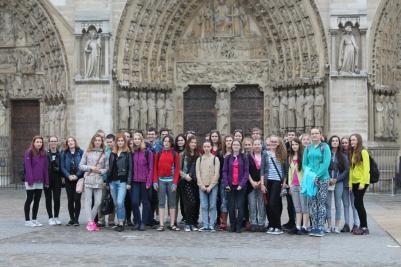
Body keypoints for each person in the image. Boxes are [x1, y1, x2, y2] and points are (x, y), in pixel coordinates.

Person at [302, 128, 331, 237]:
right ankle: (314, 226)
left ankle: (321, 227)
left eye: (316, 133)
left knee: (321, 202)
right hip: (310, 179)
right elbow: (304, 163)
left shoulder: (325, 147)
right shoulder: (308, 148)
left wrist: (317, 175)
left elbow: (326, 163)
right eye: (312, 134)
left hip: (323, 178)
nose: (314, 135)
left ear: (320, 135)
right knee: (312, 202)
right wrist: (310, 175)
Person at [79, 133, 109, 231]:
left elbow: (107, 168)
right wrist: (91, 168)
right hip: (88, 179)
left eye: (99, 140)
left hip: (98, 180)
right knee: (88, 201)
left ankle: (90, 220)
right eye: (95, 140)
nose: (97, 142)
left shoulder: (104, 153)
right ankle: (90, 222)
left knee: (98, 202)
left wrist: (100, 171)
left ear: (101, 142)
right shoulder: (87, 152)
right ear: (93, 141)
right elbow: (81, 166)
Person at [260, 135, 287, 235]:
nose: (273, 143)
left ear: (279, 143)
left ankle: (278, 226)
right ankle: (271, 225)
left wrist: (284, 182)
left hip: (277, 181)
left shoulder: (282, 154)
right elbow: (262, 170)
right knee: (268, 205)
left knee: (273, 203)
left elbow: (285, 170)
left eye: (275, 142)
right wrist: (262, 184)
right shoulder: (265, 153)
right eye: (272, 141)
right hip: (268, 181)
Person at [153, 135, 180, 231]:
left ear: (171, 143)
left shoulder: (175, 154)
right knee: (161, 203)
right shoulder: (158, 153)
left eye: (168, 141)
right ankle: (161, 224)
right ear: (163, 142)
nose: (166, 143)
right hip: (161, 181)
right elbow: (155, 168)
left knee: (172, 203)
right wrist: (155, 181)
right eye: (165, 141)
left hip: (171, 181)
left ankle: (172, 224)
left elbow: (177, 169)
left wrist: (175, 183)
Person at [107, 133, 132, 232]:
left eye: (122, 141)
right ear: (116, 142)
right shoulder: (112, 153)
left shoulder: (127, 153)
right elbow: (110, 168)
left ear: (124, 142)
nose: (120, 142)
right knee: (116, 203)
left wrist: (129, 182)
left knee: (120, 202)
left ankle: (121, 222)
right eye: (119, 141)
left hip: (122, 182)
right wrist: (108, 181)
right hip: (112, 181)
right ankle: (119, 221)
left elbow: (130, 169)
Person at [223, 140, 249, 233]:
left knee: (240, 206)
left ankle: (238, 226)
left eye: (237, 144)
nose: (235, 146)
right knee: (231, 207)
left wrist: (241, 184)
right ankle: (232, 225)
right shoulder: (227, 158)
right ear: (232, 146)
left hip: (240, 187)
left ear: (240, 146)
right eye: (234, 144)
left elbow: (246, 172)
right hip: (230, 186)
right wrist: (226, 184)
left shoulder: (244, 157)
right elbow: (224, 171)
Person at [285, 138, 309, 234]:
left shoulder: (304, 156)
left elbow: (306, 171)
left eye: (296, 144)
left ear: (299, 145)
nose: (294, 146)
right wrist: (290, 184)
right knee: (297, 207)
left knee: (304, 207)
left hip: (302, 185)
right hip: (293, 185)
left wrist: (305, 183)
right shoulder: (290, 157)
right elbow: (290, 172)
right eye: (293, 144)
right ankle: (298, 226)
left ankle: (305, 227)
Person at [24, 136, 49, 227]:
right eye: (37, 142)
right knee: (29, 199)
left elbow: (45, 168)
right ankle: (27, 220)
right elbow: (28, 167)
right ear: (33, 143)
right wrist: (30, 180)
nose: (39, 143)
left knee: (37, 200)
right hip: (31, 181)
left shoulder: (44, 153)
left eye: (40, 142)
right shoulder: (29, 152)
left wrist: (46, 180)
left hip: (40, 181)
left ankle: (34, 219)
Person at [131, 132, 153, 231]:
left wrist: (149, 182)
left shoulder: (148, 152)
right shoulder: (132, 152)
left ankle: (143, 222)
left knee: (145, 202)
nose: (136, 140)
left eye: (138, 139)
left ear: (141, 140)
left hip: (145, 181)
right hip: (135, 181)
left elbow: (151, 168)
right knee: (135, 202)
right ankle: (137, 221)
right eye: (135, 139)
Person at [327, 135, 349, 234]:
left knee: (337, 204)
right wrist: (328, 178)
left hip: (338, 182)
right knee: (327, 204)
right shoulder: (327, 154)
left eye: (336, 141)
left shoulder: (343, 156)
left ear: (338, 143)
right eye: (333, 140)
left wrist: (336, 179)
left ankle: (336, 226)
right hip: (327, 181)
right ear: (330, 142)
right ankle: (329, 226)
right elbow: (324, 167)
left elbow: (346, 170)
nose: (335, 142)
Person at [349, 134, 370, 235]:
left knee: (358, 203)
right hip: (354, 182)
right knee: (357, 204)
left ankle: (364, 227)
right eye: (351, 140)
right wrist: (350, 183)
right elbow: (351, 169)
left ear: (358, 141)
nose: (352, 141)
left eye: (354, 140)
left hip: (362, 182)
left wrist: (362, 182)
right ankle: (362, 226)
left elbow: (367, 169)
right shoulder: (353, 152)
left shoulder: (363, 151)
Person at [196, 140, 220, 232]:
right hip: (202, 186)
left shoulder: (215, 159)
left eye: (208, 146)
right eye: (205, 146)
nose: (206, 148)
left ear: (211, 147)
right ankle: (205, 224)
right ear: (203, 148)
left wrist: (211, 186)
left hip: (213, 186)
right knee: (204, 206)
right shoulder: (200, 159)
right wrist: (201, 185)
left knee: (213, 205)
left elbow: (216, 174)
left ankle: (212, 225)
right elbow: (198, 173)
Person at [178, 136, 201, 231]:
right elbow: (178, 169)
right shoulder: (182, 154)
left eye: (195, 143)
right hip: (185, 181)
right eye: (192, 142)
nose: (193, 144)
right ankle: (188, 223)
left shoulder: (199, 155)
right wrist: (185, 176)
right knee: (189, 203)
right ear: (188, 143)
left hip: (195, 181)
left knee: (196, 203)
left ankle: (194, 223)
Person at [61, 137, 84, 226]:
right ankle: (71, 219)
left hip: (78, 179)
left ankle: (76, 219)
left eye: (72, 141)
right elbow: (62, 166)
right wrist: (68, 176)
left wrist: (77, 175)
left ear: (75, 142)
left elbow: (83, 164)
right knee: (70, 199)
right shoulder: (64, 153)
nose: (70, 142)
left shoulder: (80, 152)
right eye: (69, 141)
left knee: (77, 199)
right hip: (68, 179)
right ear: (67, 143)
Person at [340, 136, 359, 233]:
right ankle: (346, 224)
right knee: (346, 205)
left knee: (354, 205)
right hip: (343, 183)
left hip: (353, 183)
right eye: (342, 143)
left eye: (346, 142)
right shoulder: (340, 155)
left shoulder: (353, 154)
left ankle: (356, 224)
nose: (344, 144)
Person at [97, 134, 116, 228]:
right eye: (107, 142)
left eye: (110, 142)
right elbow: (101, 165)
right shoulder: (104, 152)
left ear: (114, 141)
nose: (109, 144)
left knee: (113, 200)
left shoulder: (117, 151)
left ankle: (111, 220)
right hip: (104, 179)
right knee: (101, 200)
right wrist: (103, 178)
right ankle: (101, 220)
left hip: (115, 180)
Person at [247, 139, 265, 232]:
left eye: (259, 144)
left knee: (262, 204)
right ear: (252, 146)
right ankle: (253, 222)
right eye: (255, 144)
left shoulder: (265, 155)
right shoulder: (248, 156)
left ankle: (261, 223)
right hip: (251, 184)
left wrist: (260, 182)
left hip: (262, 184)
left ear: (262, 146)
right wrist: (252, 182)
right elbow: (246, 171)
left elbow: (266, 169)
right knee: (252, 204)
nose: (257, 146)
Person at [45, 136, 62, 226]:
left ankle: (56, 216)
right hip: (48, 179)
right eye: (51, 141)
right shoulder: (45, 153)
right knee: (48, 199)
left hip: (57, 179)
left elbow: (62, 166)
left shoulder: (60, 153)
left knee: (57, 199)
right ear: (49, 142)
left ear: (57, 142)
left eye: (55, 141)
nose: (53, 143)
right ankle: (50, 217)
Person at [219, 135, 233, 231]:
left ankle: (233, 221)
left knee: (233, 202)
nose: (228, 142)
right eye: (227, 141)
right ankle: (223, 221)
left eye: (230, 140)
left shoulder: (237, 154)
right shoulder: (221, 154)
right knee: (224, 201)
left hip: (234, 181)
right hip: (224, 181)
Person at [283, 131, 297, 231]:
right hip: (288, 179)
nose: (290, 137)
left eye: (292, 135)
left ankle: (297, 222)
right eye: (289, 135)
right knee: (289, 203)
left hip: (296, 180)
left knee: (296, 203)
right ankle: (291, 221)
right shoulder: (285, 148)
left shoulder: (297, 150)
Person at [175, 134, 187, 225]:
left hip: (185, 179)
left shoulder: (187, 152)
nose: (180, 142)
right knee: (175, 200)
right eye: (178, 140)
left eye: (182, 140)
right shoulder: (173, 151)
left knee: (184, 200)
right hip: (175, 178)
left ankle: (185, 217)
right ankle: (173, 219)